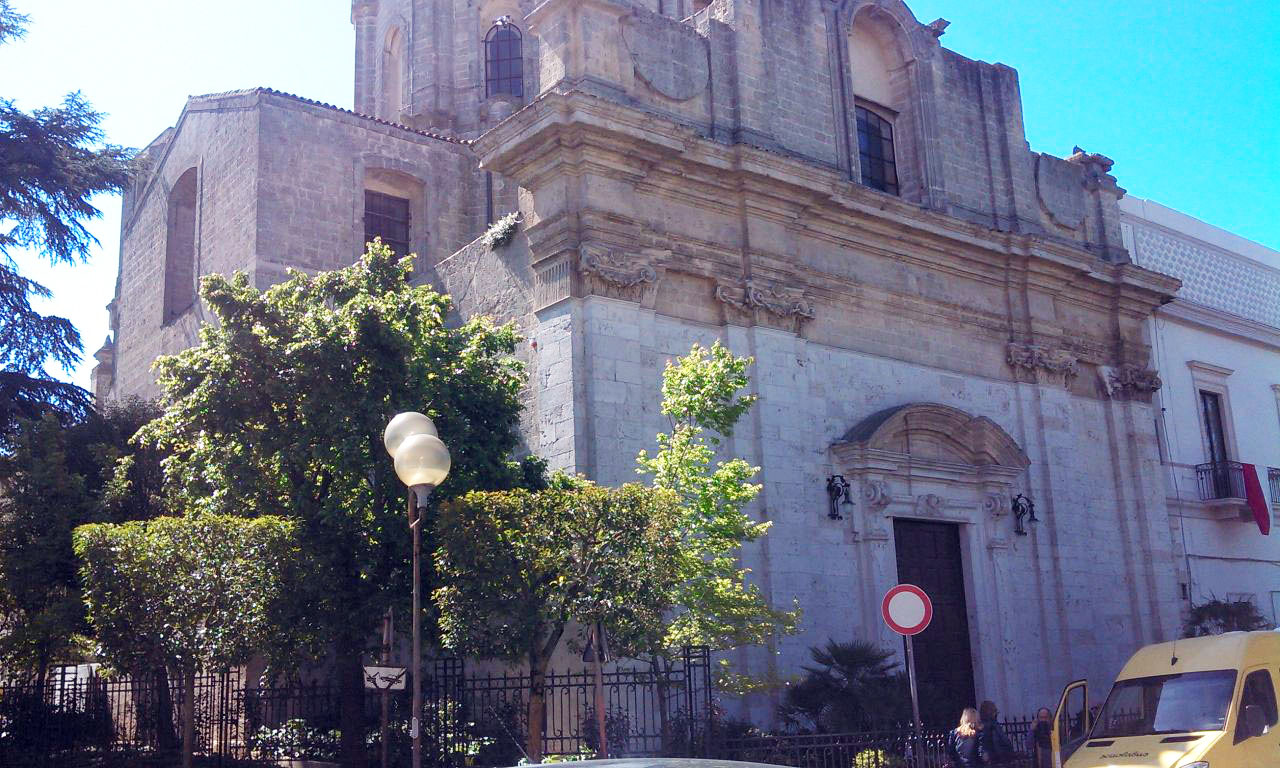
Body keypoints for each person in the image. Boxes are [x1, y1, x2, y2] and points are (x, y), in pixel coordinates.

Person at [979, 700, 1016, 765]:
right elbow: (1002, 740)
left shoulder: (981, 725)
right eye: (995, 711)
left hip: (988, 758)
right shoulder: (993, 725)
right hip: (997, 758)